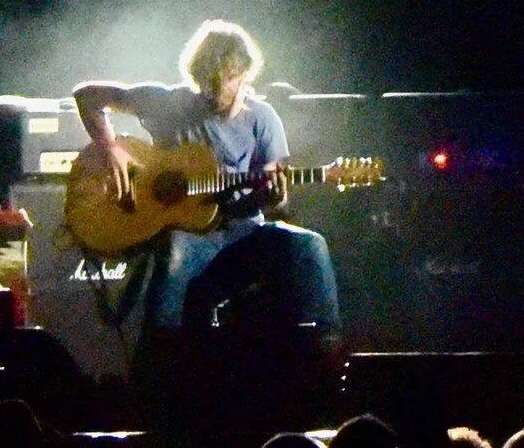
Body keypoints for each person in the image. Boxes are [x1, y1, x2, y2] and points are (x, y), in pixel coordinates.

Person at [72, 19, 342, 345]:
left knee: (309, 245)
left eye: (226, 79)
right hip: (187, 238)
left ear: (245, 74)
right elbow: (86, 96)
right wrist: (111, 148)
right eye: (206, 81)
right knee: (174, 253)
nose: (216, 90)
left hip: (244, 236)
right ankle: (162, 353)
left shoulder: (263, 117)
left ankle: (327, 348)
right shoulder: (169, 102)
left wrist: (273, 198)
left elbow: (278, 200)